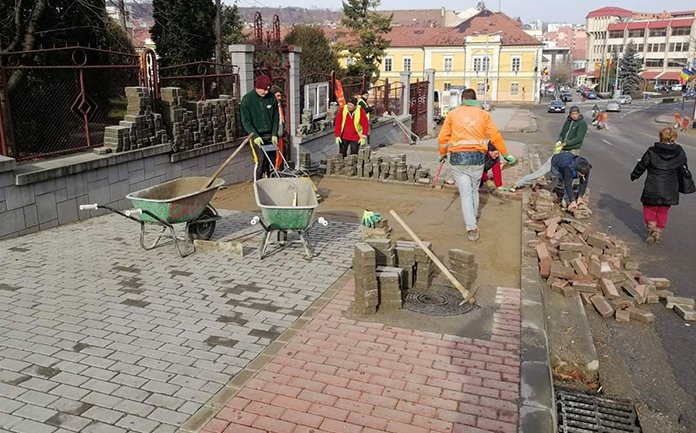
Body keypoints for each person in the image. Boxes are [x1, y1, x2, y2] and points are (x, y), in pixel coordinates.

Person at [437, 88, 515, 241]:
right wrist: (506, 155)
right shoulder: (484, 115)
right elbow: (495, 136)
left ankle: (472, 227)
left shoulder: (453, 114)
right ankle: (475, 215)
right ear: (475, 99)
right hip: (477, 159)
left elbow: (442, 137)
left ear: (463, 100)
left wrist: (442, 154)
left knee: (465, 194)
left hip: (458, 159)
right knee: (474, 190)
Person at [630, 127, 687, 244]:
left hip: (653, 185)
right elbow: (683, 169)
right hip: (670, 187)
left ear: (661, 137)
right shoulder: (679, 151)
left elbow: (642, 164)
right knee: (663, 211)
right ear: (674, 137)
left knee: (649, 207)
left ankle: (651, 225)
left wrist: (635, 175)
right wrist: (684, 184)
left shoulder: (652, 151)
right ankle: (659, 230)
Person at [511, 106, 587, 189]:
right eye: (572, 114)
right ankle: (519, 183)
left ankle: (567, 193)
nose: (574, 115)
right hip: (562, 149)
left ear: (579, 114)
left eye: (576, 114)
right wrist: (560, 141)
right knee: (545, 169)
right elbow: (563, 133)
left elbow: (578, 138)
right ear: (570, 114)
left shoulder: (582, 123)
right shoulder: (568, 121)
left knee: (569, 172)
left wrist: (567, 143)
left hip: (572, 150)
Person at [241, 75, 280, 180]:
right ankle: (258, 183)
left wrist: (274, 134)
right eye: (264, 90)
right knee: (261, 160)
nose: (266, 92)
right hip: (257, 136)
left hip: (270, 135)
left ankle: (271, 182)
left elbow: (276, 117)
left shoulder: (271, 98)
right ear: (257, 87)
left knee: (272, 160)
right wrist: (255, 136)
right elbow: (246, 121)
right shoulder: (247, 100)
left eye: (268, 90)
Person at [271, 85, 286, 169]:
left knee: (279, 154)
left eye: (280, 95)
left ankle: (277, 169)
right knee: (274, 155)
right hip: (274, 135)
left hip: (280, 134)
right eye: (278, 96)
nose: (280, 98)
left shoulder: (279, 105)